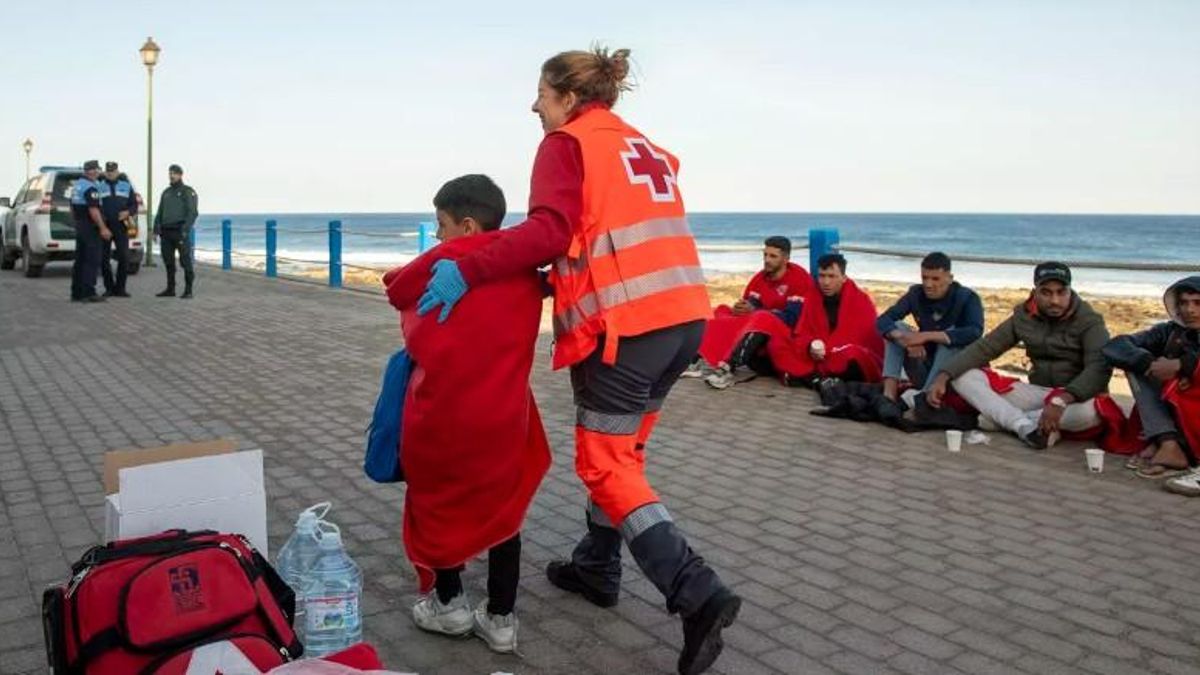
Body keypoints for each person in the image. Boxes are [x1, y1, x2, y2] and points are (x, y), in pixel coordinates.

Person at [415, 47, 740, 675]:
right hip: (684, 320)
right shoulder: (639, 145)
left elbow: (549, 232)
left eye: (540, 92)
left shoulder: (567, 143)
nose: (533, 105)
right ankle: (596, 566)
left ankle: (696, 592)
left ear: (567, 96)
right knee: (627, 455)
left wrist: (470, 265)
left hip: (626, 327)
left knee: (604, 464)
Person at [383, 175, 551, 652]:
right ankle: (500, 617)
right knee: (505, 508)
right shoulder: (523, 273)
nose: (437, 237)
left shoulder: (443, 265)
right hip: (503, 415)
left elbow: (401, 297)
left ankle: (449, 603)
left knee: (437, 502)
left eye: (441, 224)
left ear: (469, 225)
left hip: (442, 416)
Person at [928, 262, 1111, 449]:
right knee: (964, 377)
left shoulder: (1089, 320)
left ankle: (1003, 420)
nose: (1055, 300)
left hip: (1076, 398)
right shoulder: (1024, 316)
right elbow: (985, 347)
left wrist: (1062, 400)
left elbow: (1099, 368)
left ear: (1070, 291)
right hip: (1038, 394)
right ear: (1035, 291)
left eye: (1061, 292)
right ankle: (1023, 425)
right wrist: (944, 375)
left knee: (1092, 412)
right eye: (1046, 293)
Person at [1103, 276, 1200, 481]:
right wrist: (1149, 363)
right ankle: (1168, 444)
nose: (1190, 310)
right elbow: (1116, 345)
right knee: (1137, 367)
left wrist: (1183, 366)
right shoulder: (1170, 332)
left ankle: (1173, 448)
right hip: (1177, 410)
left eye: (1198, 303)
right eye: (1183, 303)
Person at [694, 236, 811, 389]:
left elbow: (792, 318)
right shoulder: (761, 277)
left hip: (785, 338)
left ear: (786, 259)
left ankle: (727, 369)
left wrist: (756, 311)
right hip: (759, 329)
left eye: (773, 256)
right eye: (765, 255)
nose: (767, 260)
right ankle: (693, 361)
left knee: (762, 317)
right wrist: (742, 307)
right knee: (721, 310)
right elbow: (753, 303)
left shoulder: (798, 278)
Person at [876, 252, 984, 403]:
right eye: (924, 278)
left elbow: (975, 331)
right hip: (923, 364)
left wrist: (927, 336)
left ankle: (924, 398)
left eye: (935, 279)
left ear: (949, 278)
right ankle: (888, 396)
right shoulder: (916, 294)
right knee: (897, 328)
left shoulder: (967, 298)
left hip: (953, 375)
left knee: (950, 339)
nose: (928, 284)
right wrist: (904, 340)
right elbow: (883, 320)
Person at [763, 253, 884, 387]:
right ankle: (817, 378)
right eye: (822, 276)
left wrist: (829, 348)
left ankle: (808, 378)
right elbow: (802, 331)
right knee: (776, 343)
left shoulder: (860, 300)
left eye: (832, 276)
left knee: (854, 355)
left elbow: (866, 339)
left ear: (843, 278)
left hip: (841, 352)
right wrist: (810, 345)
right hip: (815, 353)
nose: (826, 282)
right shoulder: (812, 296)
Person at [69, 160, 113, 303]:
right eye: (92, 170)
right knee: (92, 260)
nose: (95, 172)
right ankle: (89, 292)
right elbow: (93, 210)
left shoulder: (77, 186)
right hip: (90, 227)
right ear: (86, 171)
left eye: (96, 169)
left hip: (80, 225)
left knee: (80, 260)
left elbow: (72, 208)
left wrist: (76, 223)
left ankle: (76, 292)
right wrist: (103, 228)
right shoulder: (90, 188)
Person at [154, 164, 198, 298]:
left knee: (185, 261)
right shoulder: (166, 192)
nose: (171, 176)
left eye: (174, 173)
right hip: (166, 232)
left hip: (180, 231)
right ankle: (170, 289)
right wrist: (156, 229)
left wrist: (185, 230)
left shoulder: (187, 191)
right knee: (168, 262)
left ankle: (188, 290)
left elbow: (192, 212)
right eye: (170, 173)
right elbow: (160, 212)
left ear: (180, 175)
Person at [97, 162, 138, 298]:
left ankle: (120, 289)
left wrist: (128, 212)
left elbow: (134, 205)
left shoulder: (126, 186)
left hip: (121, 226)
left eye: (113, 171)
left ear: (117, 171)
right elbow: (94, 206)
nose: (110, 173)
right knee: (104, 259)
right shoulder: (99, 186)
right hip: (105, 226)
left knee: (124, 258)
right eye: (108, 171)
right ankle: (109, 288)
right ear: (105, 172)